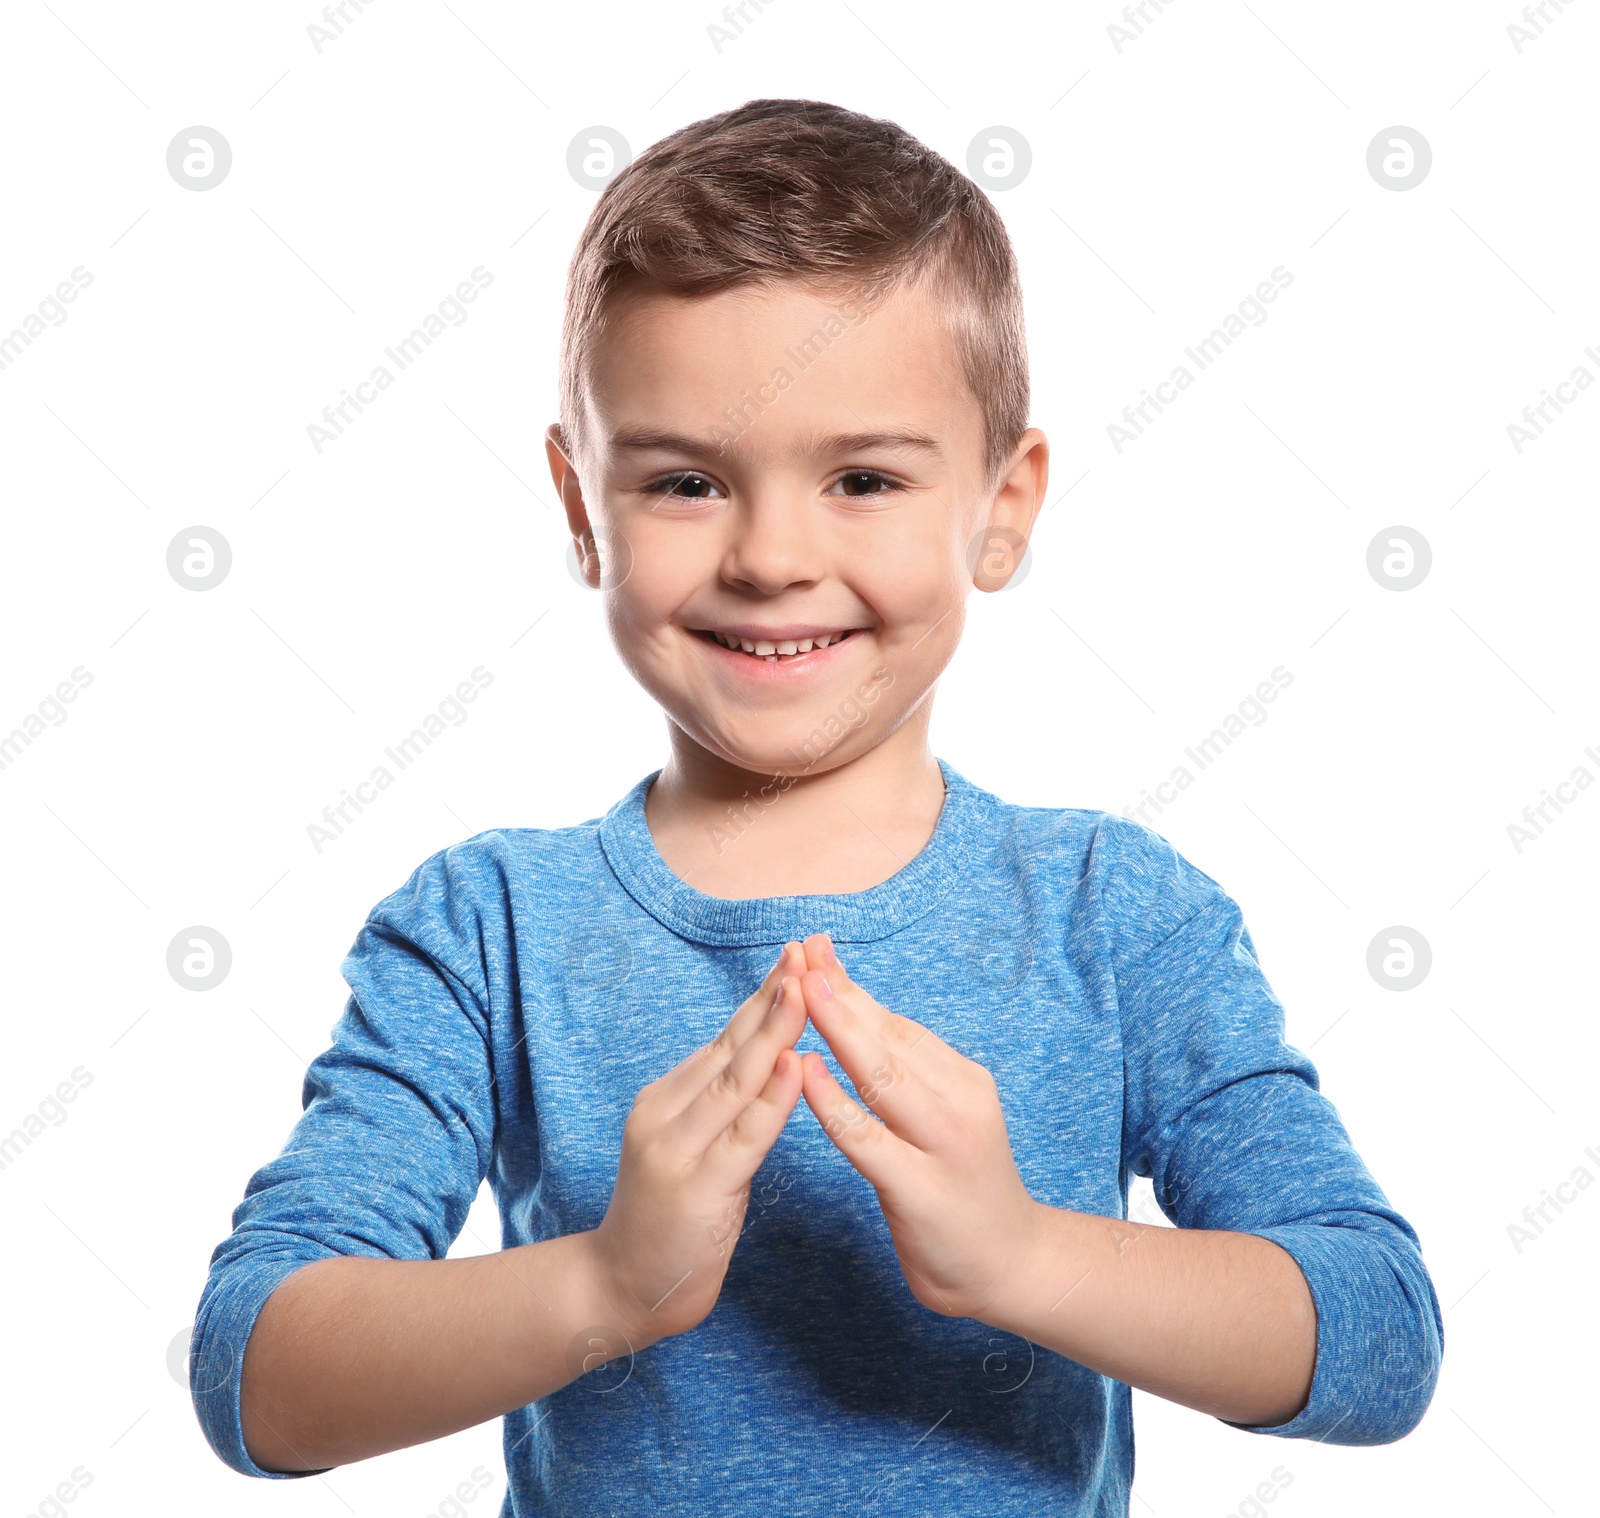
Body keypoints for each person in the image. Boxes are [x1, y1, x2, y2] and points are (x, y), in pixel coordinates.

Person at [192, 97, 1442, 1513]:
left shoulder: (1115, 912)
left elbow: (1380, 1333)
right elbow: (254, 1368)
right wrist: (604, 1281)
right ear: (579, 503)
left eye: (862, 478)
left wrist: (1024, 1254)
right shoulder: (485, 930)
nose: (773, 555)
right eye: (683, 480)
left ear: (1003, 503)